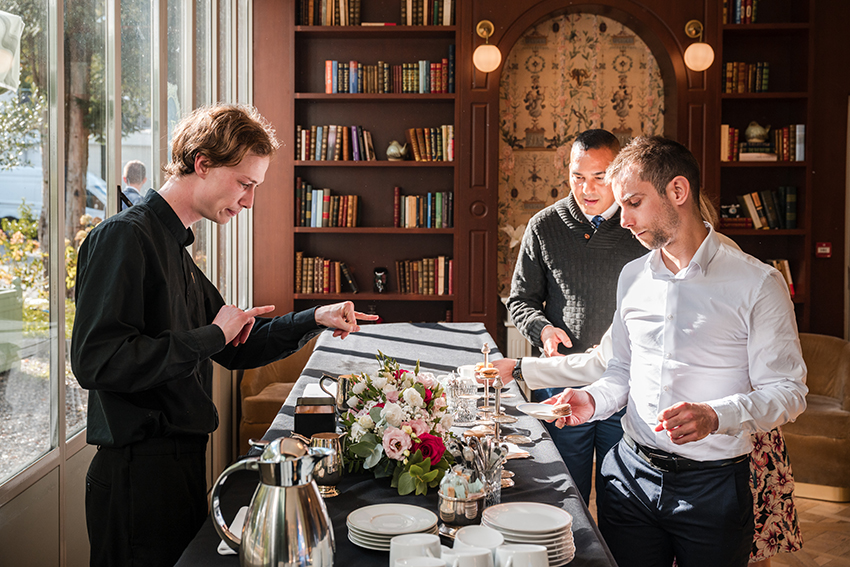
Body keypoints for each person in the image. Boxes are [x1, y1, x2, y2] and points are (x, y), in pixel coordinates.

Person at [71, 103, 379, 567]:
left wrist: (316, 318)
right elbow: (98, 361)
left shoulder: (174, 250)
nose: (249, 201)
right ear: (203, 164)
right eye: (244, 184)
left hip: (176, 472)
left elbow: (237, 346)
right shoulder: (125, 237)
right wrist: (212, 335)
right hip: (137, 481)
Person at [547, 136, 807, 567]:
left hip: (713, 489)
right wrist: (591, 400)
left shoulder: (757, 283)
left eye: (634, 203)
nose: (624, 220)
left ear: (678, 191)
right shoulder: (631, 277)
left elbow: (788, 392)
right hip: (628, 478)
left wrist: (715, 416)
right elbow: (622, 370)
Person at [506, 128, 647, 507]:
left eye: (599, 177)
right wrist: (543, 330)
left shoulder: (641, 227)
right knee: (563, 493)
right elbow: (521, 301)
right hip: (561, 381)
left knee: (625, 496)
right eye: (577, 177)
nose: (587, 189)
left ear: (619, 174)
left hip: (627, 382)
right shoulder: (544, 226)